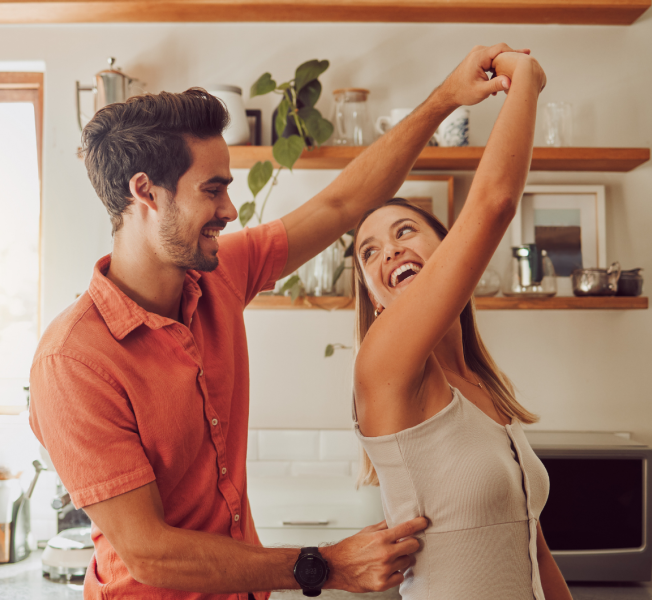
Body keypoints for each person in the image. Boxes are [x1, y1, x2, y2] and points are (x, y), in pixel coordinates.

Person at [29, 44, 527, 600]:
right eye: (212, 190)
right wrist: (324, 566)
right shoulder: (73, 362)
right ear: (145, 192)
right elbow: (149, 551)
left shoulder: (217, 274)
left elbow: (342, 206)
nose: (228, 211)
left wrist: (443, 100)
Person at [351, 52, 573, 600]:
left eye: (405, 231)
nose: (390, 251)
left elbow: (535, 551)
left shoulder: (482, 388)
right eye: (370, 252)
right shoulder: (385, 366)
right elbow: (495, 202)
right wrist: (526, 79)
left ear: (449, 254)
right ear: (375, 299)